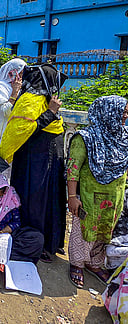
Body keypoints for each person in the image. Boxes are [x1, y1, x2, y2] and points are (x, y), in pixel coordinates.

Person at [0, 64, 68, 263]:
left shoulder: (44, 99)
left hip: (50, 159)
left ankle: (52, 242)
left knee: (52, 199)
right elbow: (24, 130)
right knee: (35, 201)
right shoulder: (29, 99)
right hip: (34, 162)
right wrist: (50, 113)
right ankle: (36, 244)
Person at [67, 95, 128, 288]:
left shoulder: (124, 137)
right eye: (123, 112)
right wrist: (71, 196)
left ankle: (94, 263)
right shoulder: (86, 138)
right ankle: (77, 263)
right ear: (108, 113)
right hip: (88, 197)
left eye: (126, 112)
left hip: (114, 197)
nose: (125, 116)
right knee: (83, 231)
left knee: (104, 231)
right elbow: (73, 168)